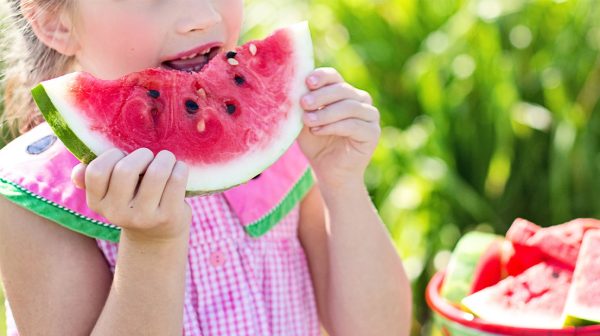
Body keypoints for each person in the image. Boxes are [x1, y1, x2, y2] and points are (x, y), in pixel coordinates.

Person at [0, 0, 411, 335]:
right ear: (54, 22)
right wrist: (151, 247)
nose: (203, 18)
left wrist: (343, 184)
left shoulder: (282, 141)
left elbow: (380, 328)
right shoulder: (35, 198)